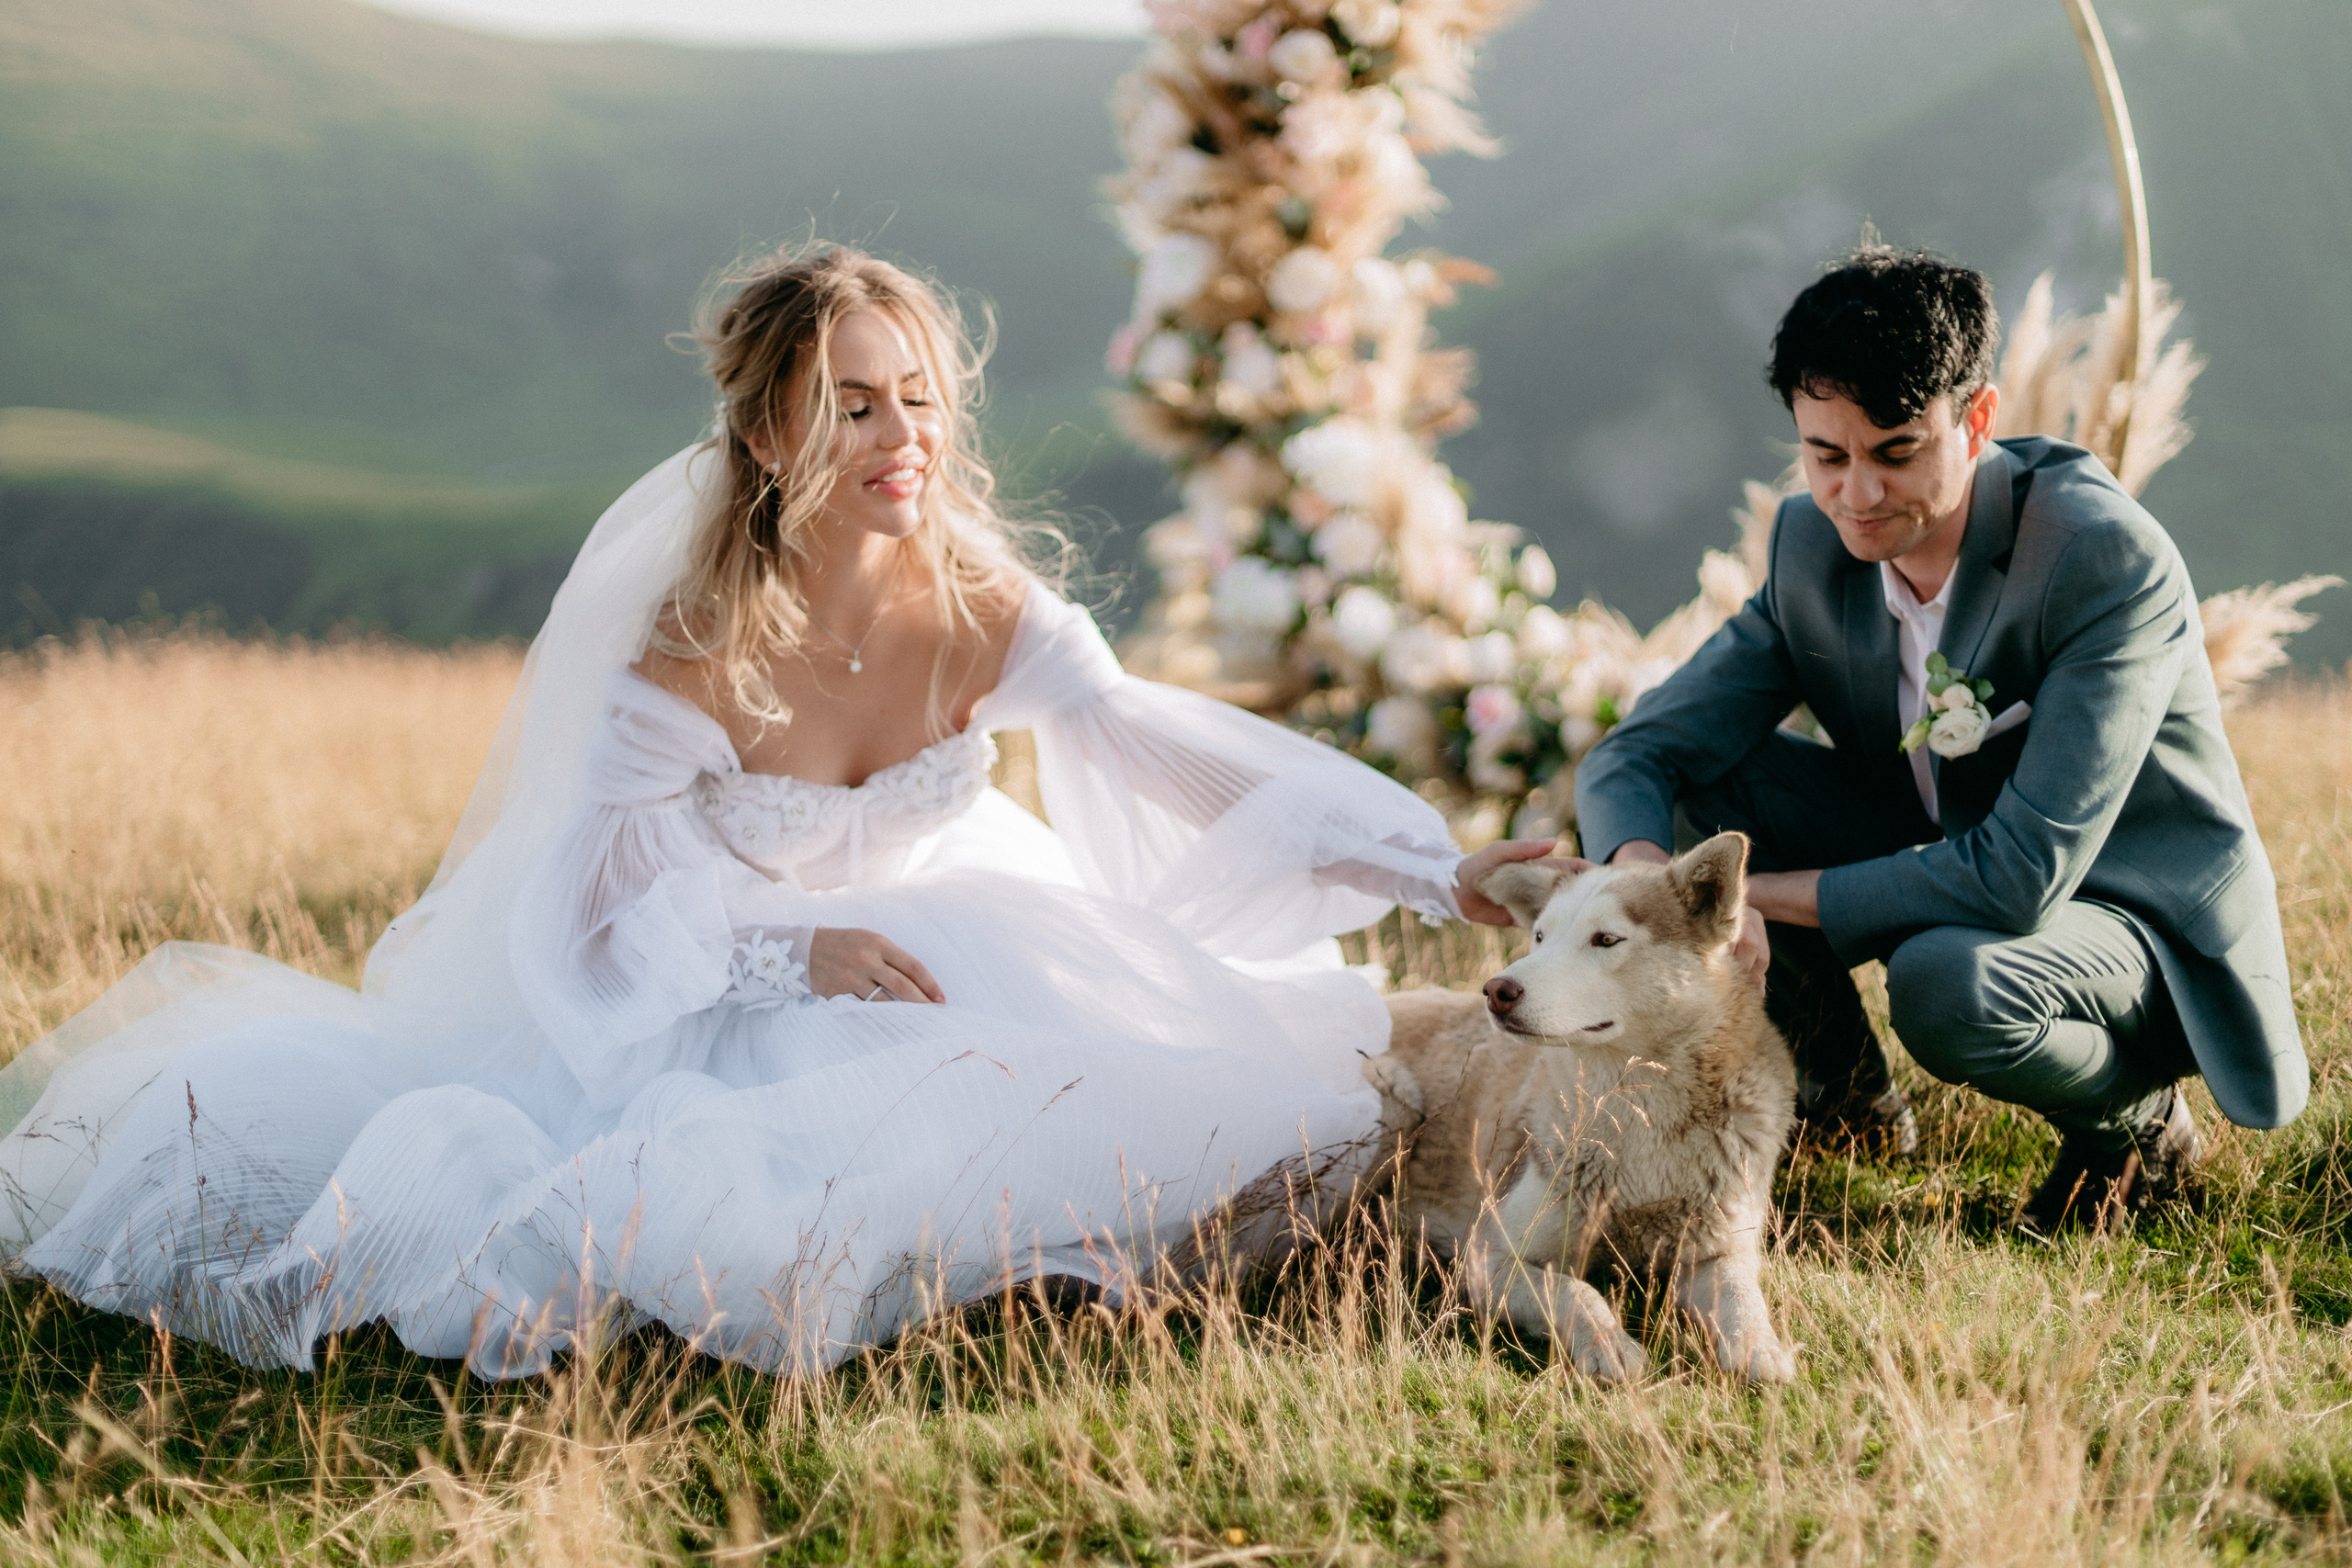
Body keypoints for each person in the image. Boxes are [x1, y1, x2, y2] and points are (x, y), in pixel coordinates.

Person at [0, 246, 1552, 1376]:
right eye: (855, 407)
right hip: (701, 980)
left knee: (1227, 1092)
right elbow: (591, 913)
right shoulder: (688, 646)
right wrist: (784, 961)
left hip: (956, 931)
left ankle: (1076, 1279)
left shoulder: (982, 601)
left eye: (919, 400)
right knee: (733, 1209)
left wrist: (1439, 862)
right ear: (767, 434)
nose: (903, 440)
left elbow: (1170, 760)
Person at [1575, 245, 2306, 1234]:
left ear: (1978, 419)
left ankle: (2137, 1133)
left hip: (2130, 915)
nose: (1857, 497)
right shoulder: (1807, 547)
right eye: (1825, 456)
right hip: (1935, 834)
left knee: (1947, 984)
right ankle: (1846, 1106)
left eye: (1894, 452)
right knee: (1696, 801)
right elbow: (1636, 754)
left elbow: (2016, 876)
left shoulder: (2099, 557)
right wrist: (1650, 884)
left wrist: (1731, 907)